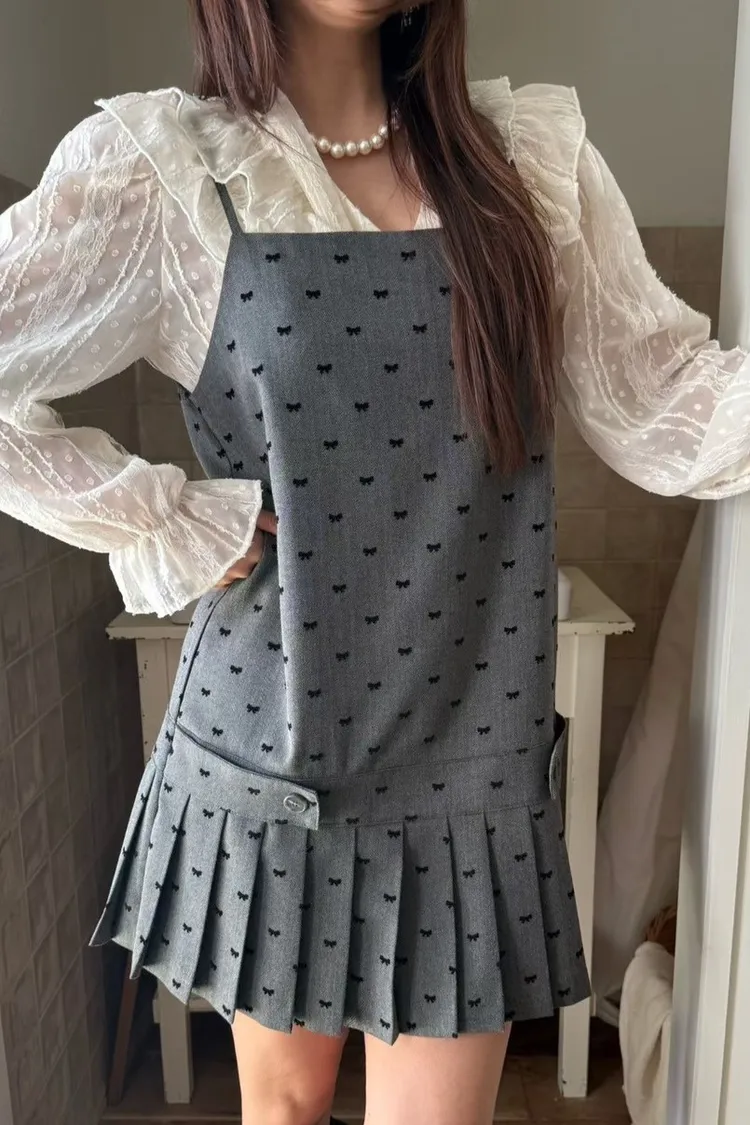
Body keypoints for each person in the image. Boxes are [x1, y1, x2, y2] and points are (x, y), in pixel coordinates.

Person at [1, 2, 749, 1123]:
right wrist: (163, 516)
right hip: (265, 749)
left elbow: (663, 403)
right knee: (285, 1108)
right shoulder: (166, 170)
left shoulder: (526, 166)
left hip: (466, 758)